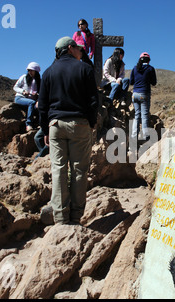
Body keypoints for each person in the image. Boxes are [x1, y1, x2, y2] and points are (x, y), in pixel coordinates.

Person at [38, 36, 99, 225]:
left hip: (55, 125)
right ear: (70, 48)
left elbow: (42, 105)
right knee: (79, 170)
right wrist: (91, 123)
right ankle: (75, 216)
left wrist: (45, 129)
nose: (81, 51)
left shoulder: (48, 72)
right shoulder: (85, 69)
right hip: (79, 124)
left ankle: (60, 218)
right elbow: (93, 101)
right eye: (79, 49)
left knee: (58, 170)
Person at [130, 52, 157, 140]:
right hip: (144, 94)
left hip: (135, 94)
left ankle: (134, 136)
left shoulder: (135, 68)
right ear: (148, 61)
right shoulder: (150, 69)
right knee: (144, 115)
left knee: (137, 115)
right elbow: (154, 82)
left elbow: (131, 82)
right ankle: (145, 136)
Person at [13, 62, 41, 132]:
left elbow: (41, 93)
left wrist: (37, 95)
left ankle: (40, 124)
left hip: (31, 100)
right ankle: (28, 124)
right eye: (28, 70)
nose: (29, 72)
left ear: (36, 71)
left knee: (40, 106)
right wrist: (23, 91)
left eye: (31, 70)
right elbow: (15, 87)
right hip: (20, 98)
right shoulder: (23, 77)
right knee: (32, 103)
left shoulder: (39, 81)